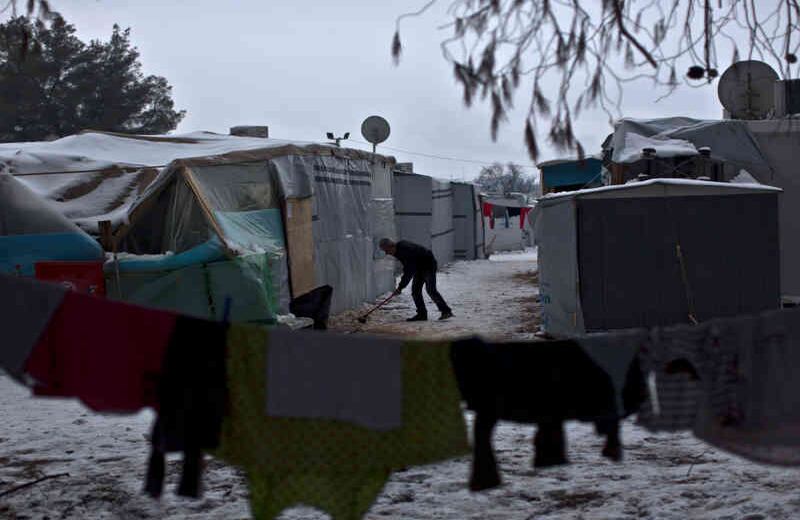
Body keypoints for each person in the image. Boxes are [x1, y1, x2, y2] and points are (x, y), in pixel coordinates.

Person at [379, 238, 453, 322]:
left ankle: (446, 311)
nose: (386, 253)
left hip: (428, 265)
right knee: (415, 291)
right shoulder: (398, 251)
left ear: (391, 246)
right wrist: (401, 287)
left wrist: (400, 287)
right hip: (419, 267)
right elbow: (408, 268)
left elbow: (409, 270)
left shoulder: (405, 249)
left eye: (386, 250)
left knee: (431, 289)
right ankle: (422, 314)